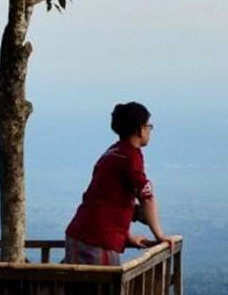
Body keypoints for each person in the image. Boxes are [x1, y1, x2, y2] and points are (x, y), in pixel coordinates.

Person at [64, 101, 169, 266]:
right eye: (149, 126)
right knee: (103, 290)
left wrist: (126, 237)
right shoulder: (130, 157)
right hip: (98, 239)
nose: (150, 130)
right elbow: (146, 196)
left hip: (81, 233)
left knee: (80, 290)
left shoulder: (112, 153)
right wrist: (160, 236)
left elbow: (109, 199)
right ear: (140, 129)